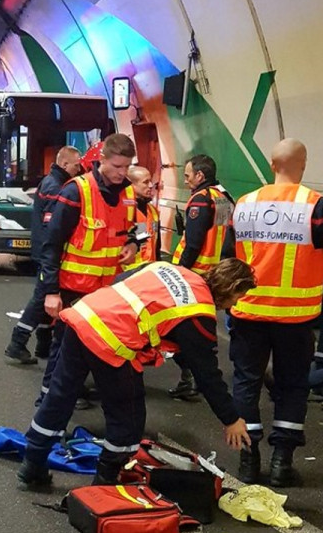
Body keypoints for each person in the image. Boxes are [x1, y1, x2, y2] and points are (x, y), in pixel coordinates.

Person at [17, 258, 254, 489]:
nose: (232, 306)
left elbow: (123, 283)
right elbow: (207, 374)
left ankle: (32, 464)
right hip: (113, 342)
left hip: (84, 315)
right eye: (237, 297)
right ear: (232, 288)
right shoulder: (198, 313)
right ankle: (105, 482)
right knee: (127, 418)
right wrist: (231, 419)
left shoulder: (169, 268)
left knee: (59, 397)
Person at [229, 138, 323, 487]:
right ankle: (282, 462)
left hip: (248, 312)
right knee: (292, 386)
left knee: (246, 383)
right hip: (296, 318)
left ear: (271, 165)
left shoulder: (245, 203)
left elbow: (230, 258)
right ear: (305, 164)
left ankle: (248, 459)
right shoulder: (315, 205)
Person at [35, 133, 140, 408]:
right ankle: (47, 400)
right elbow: (52, 244)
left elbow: (129, 230)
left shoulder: (128, 193)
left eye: (127, 167)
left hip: (107, 292)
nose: (122, 173)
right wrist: (51, 292)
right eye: (117, 167)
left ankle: (72, 391)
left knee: (95, 346)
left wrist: (131, 244)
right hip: (74, 289)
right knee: (63, 348)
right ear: (101, 159)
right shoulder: (76, 191)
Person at [3, 146, 82, 365]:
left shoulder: (51, 182)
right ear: (65, 164)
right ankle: (17, 343)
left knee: (48, 299)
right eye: (77, 165)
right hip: (47, 251)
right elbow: (53, 226)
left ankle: (43, 344)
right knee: (42, 298)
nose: (80, 169)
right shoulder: (57, 187)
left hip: (43, 249)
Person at [168, 154, 235, 399]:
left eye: (187, 176)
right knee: (201, 329)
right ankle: (196, 377)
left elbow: (194, 243)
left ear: (200, 175)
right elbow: (226, 240)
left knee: (174, 329)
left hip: (192, 275)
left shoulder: (200, 200)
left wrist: (180, 272)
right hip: (212, 274)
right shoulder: (223, 198)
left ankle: (192, 375)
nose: (185, 181)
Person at [121, 165, 161, 270]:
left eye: (150, 181)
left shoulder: (153, 211)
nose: (151, 185)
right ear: (131, 185)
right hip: (128, 273)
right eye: (145, 182)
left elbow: (156, 244)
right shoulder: (124, 211)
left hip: (149, 271)